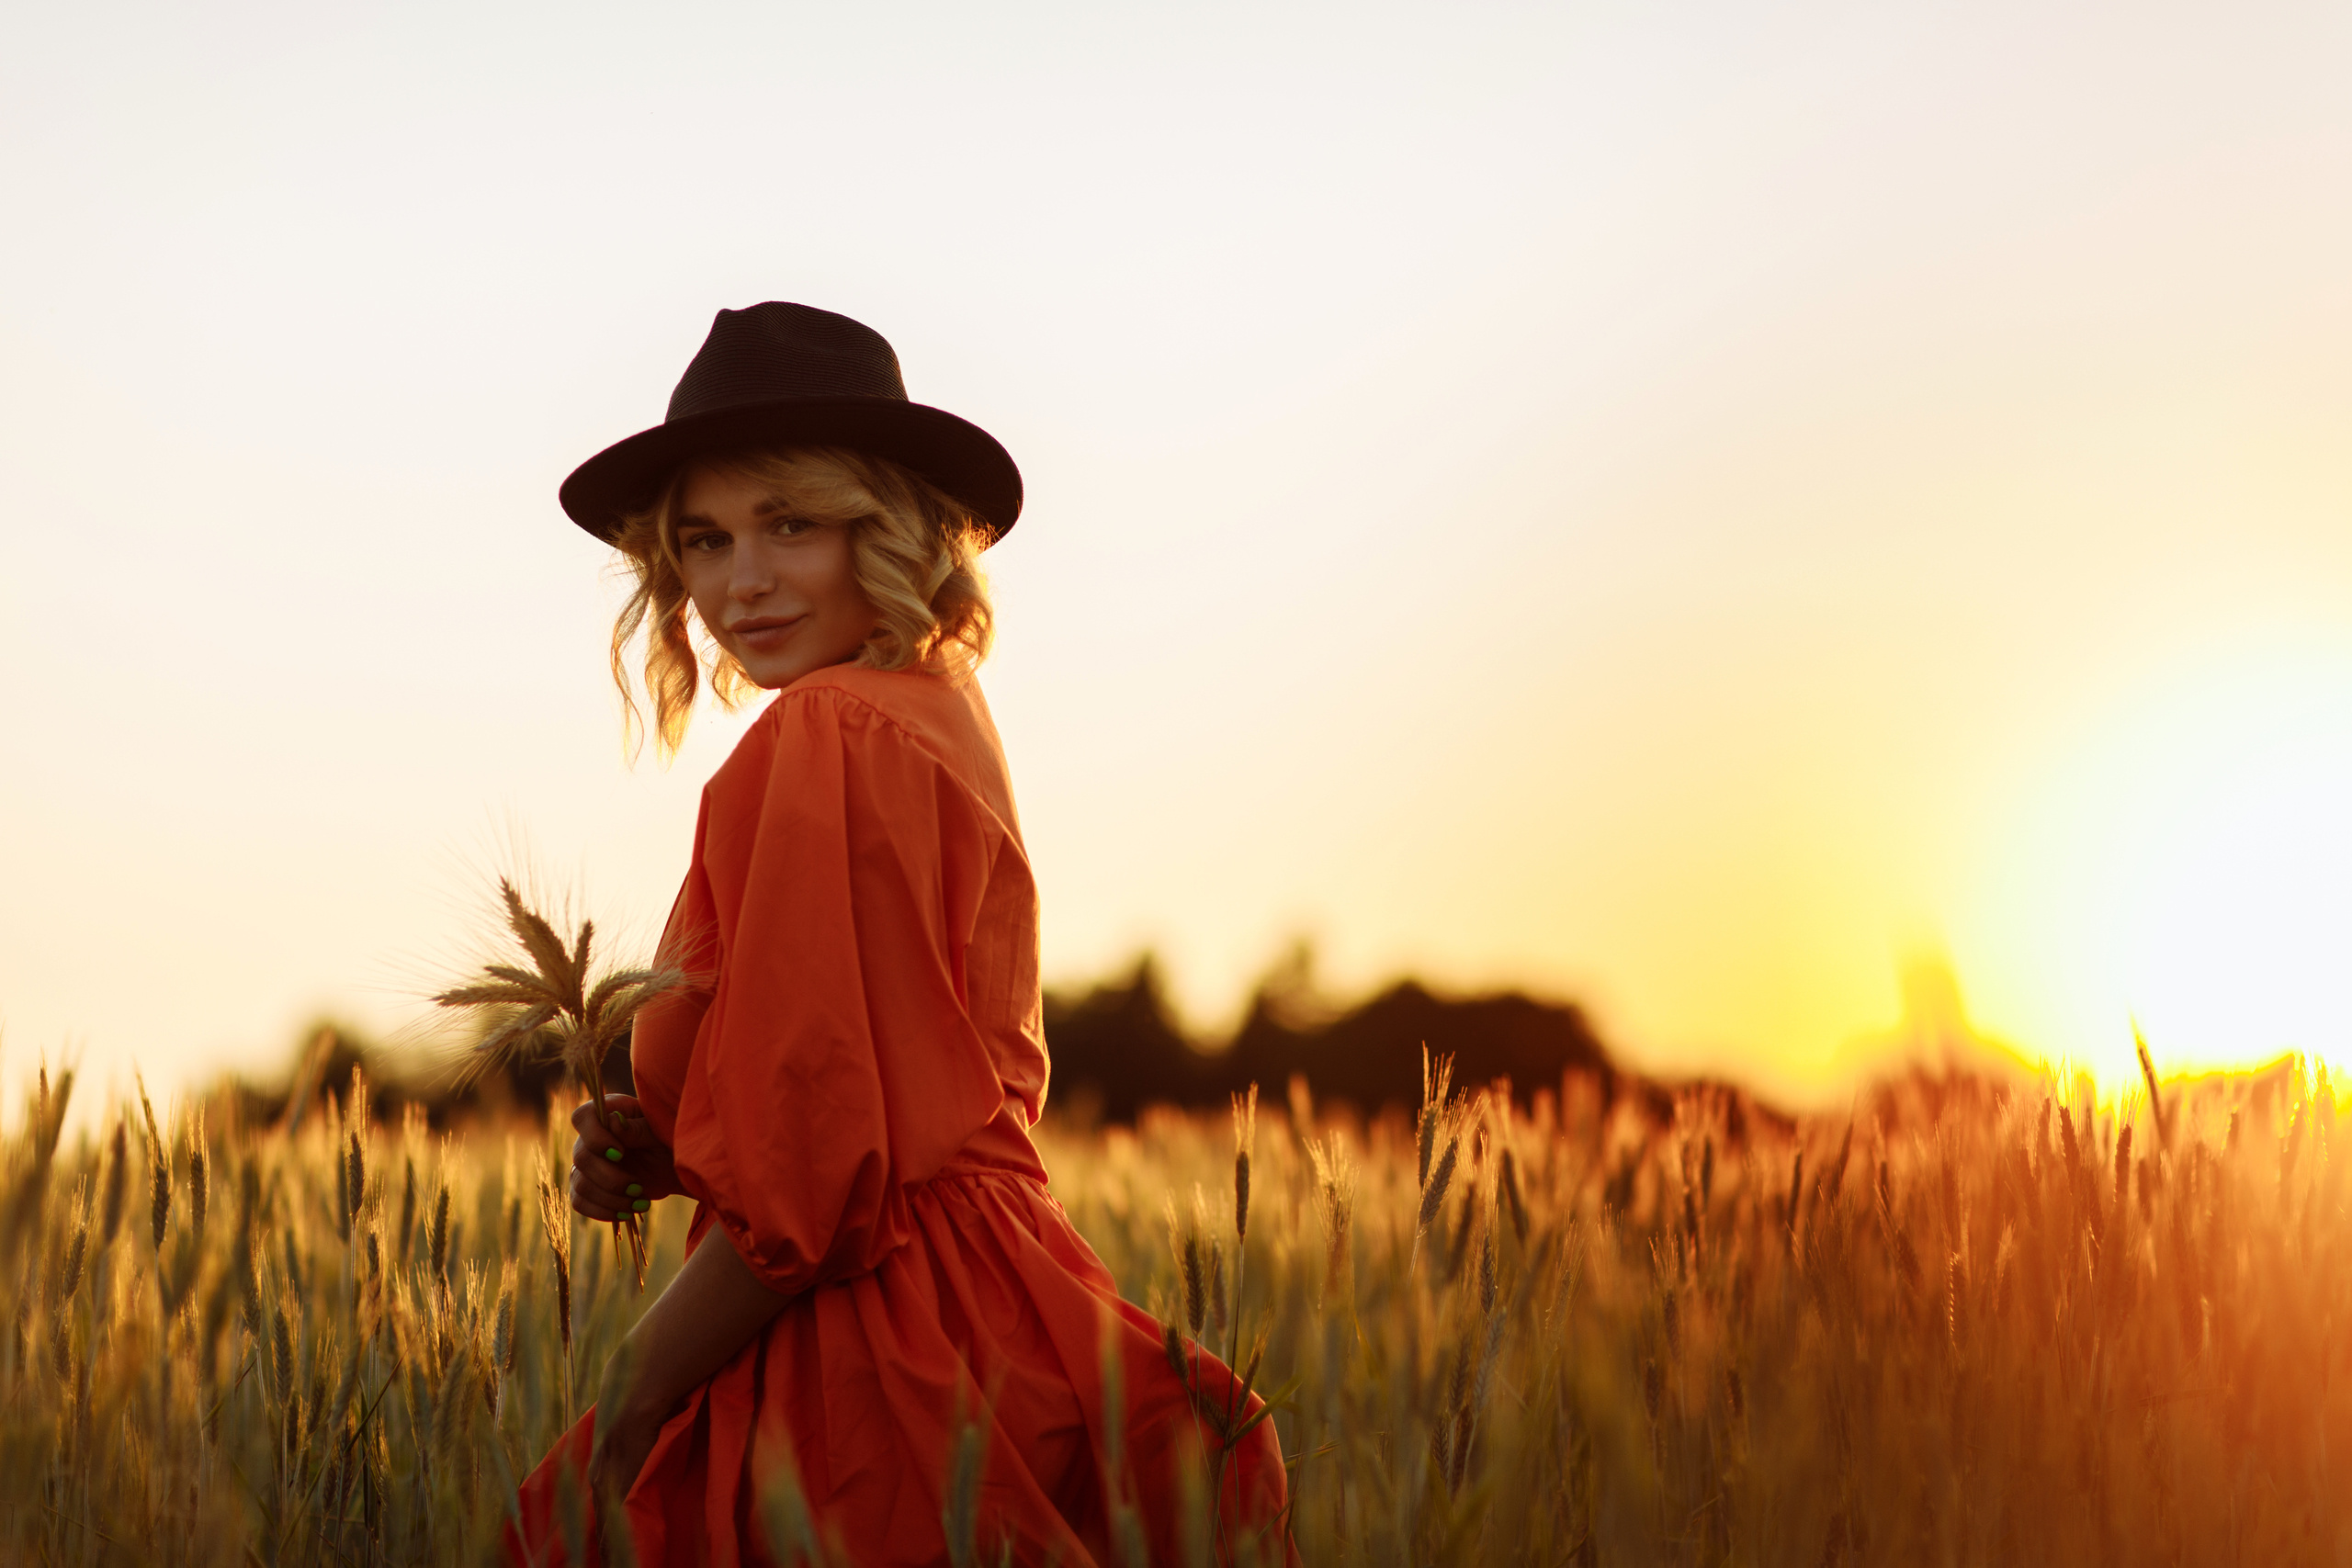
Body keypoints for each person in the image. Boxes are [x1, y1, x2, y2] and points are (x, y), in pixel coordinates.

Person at [506, 303, 1289, 1567]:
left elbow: (818, 1179)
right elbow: (900, 1095)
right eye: (704, 541)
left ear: (891, 530)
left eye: (791, 524)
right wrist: (686, 1149)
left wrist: (634, 1396)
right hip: (996, 1304)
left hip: (872, 1346)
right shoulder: (940, 716)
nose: (741, 581)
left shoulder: (830, 734)